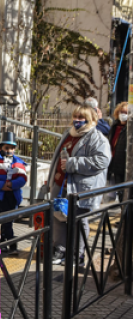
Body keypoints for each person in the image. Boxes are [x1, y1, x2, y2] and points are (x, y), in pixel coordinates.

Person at [45, 105, 110, 266]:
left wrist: (73, 164)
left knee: (79, 220)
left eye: (82, 118)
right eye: (76, 117)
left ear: (91, 120)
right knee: (58, 217)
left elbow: (102, 161)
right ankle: (60, 249)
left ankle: (77, 255)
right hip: (61, 184)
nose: (77, 121)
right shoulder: (68, 134)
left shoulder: (97, 138)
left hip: (81, 188)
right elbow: (56, 159)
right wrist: (51, 179)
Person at [0, 132, 27, 255]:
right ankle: (7, 243)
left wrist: (12, 184)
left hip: (12, 196)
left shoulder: (19, 162)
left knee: (9, 220)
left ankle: (5, 242)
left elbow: (23, 178)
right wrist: (2, 185)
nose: (9, 150)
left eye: (12, 148)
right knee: (4, 220)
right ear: (0, 148)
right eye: (6, 148)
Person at [108, 102, 128, 202]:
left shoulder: (130, 128)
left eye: (126, 112)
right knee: (119, 192)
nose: (123, 114)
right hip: (114, 164)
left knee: (127, 193)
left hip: (126, 166)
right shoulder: (115, 126)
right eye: (122, 111)